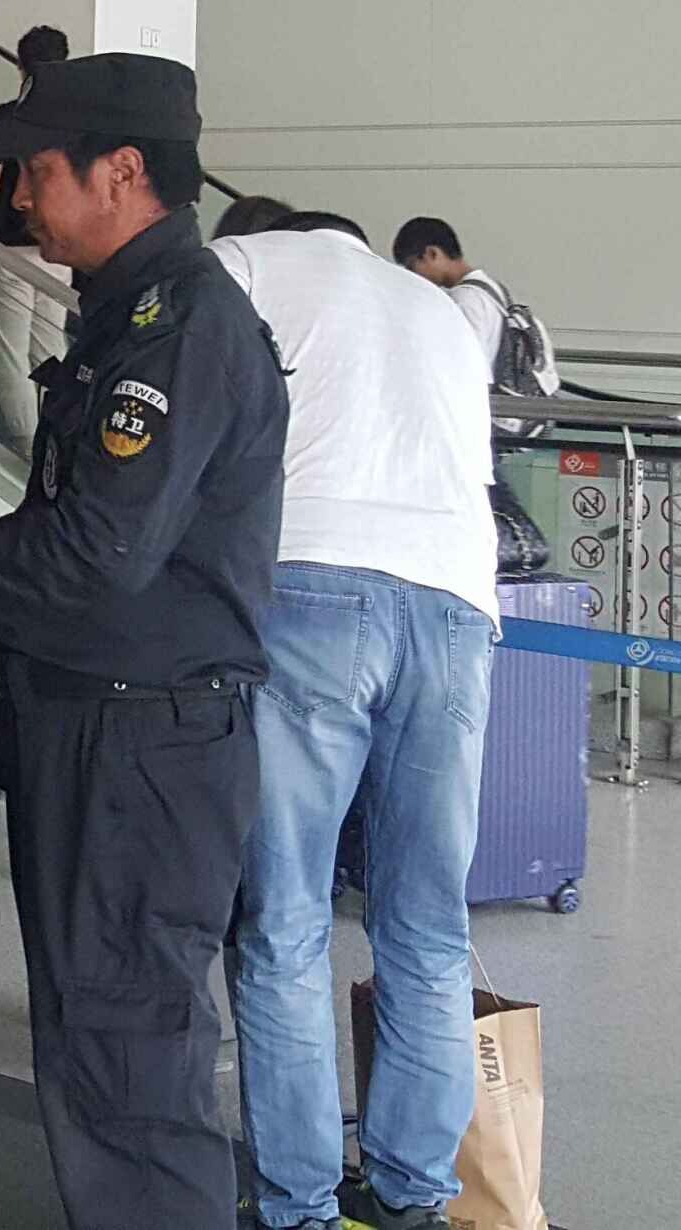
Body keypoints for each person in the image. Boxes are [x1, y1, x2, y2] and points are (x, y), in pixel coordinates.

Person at [0, 54, 286, 1230]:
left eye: (41, 171)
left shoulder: (181, 326)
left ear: (123, 172)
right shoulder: (124, 317)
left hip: (143, 746)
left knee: (130, 1059)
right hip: (102, 722)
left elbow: (100, 546)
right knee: (96, 1050)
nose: (22, 196)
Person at [208, 212, 498, 1230]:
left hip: (311, 583)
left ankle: (297, 1207)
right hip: (456, 604)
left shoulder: (240, 263)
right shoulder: (439, 308)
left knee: (284, 920)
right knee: (427, 924)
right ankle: (413, 1195)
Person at [0, 24, 71, 443]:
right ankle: (60, 439)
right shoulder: (75, 123)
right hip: (57, 250)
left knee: (10, 355)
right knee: (49, 347)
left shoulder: (12, 116)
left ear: (20, 65)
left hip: (7, 252)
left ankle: (29, 446)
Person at [393, 214, 558, 401]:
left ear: (432, 253)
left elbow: (469, 368)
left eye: (412, 267)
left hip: (490, 406)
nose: (413, 276)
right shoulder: (494, 289)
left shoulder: (465, 299)